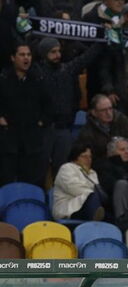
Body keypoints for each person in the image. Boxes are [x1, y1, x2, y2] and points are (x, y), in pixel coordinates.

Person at [33, 36, 105, 175]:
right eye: (53, 52)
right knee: (38, 171)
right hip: (44, 130)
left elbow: (86, 58)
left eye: (58, 51)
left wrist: (102, 39)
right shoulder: (36, 74)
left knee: (62, 172)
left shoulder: (66, 70)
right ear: (44, 54)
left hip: (64, 128)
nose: (57, 55)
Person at [0, 43, 53, 187]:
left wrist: (42, 122)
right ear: (13, 57)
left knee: (32, 182)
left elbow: (50, 105)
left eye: (29, 55)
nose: (26, 58)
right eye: (22, 55)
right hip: (8, 142)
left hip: (31, 143)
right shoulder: (3, 79)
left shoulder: (38, 79)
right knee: (6, 182)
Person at [77, 94, 128, 170]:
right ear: (94, 112)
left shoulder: (122, 121)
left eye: (110, 108)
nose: (108, 113)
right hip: (104, 169)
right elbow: (87, 158)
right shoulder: (87, 132)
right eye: (103, 110)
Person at [52, 143, 106, 221]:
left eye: (90, 156)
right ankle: (95, 224)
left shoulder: (92, 173)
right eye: (84, 156)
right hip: (68, 209)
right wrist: (93, 193)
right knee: (92, 196)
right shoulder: (66, 168)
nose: (88, 159)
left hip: (86, 206)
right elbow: (73, 188)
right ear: (75, 157)